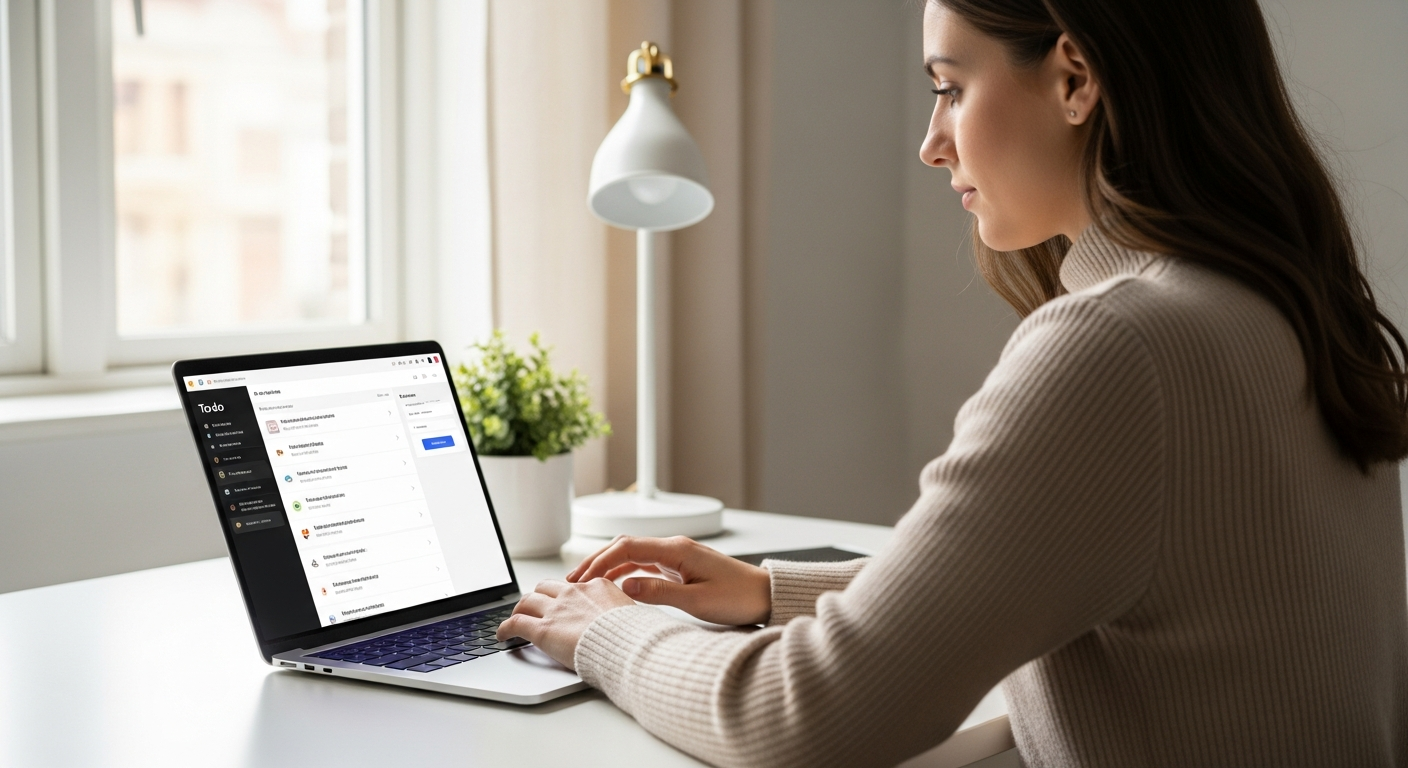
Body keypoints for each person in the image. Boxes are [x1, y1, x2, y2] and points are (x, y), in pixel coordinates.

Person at [497, 0, 1408, 765]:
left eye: (950, 88)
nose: (932, 144)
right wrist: (776, 592)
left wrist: (606, 630)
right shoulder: (1277, 306)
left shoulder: (1119, 348)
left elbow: (806, 716)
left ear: (1075, 78)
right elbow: (1086, 576)